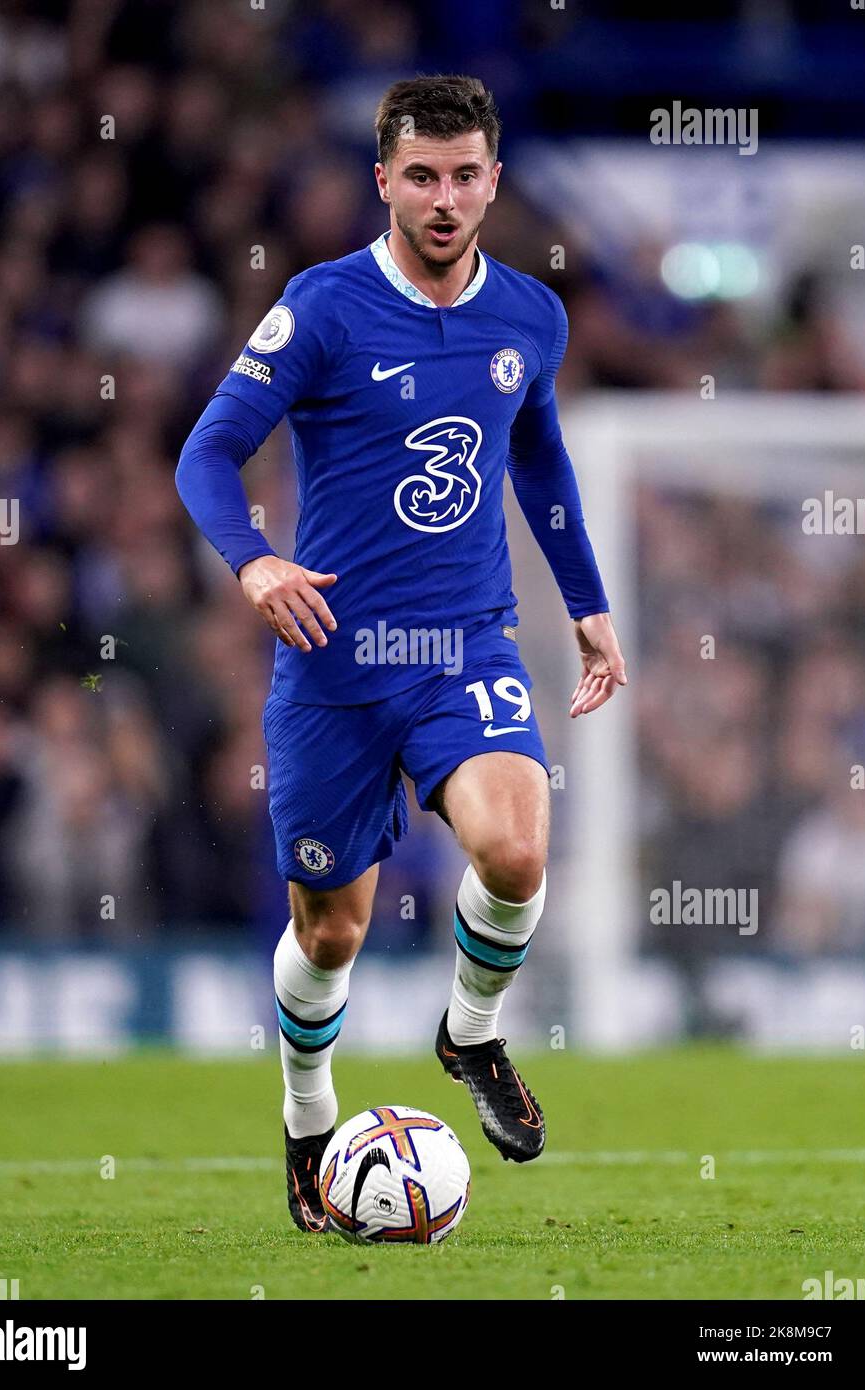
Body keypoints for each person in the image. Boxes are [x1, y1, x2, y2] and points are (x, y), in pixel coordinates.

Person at [176, 74, 627, 1233]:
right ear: (382, 180)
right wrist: (254, 563)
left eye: (463, 173)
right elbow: (205, 455)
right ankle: (305, 1111)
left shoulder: (530, 314)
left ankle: (469, 1035)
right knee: (330, 932)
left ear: (492, 179)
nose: (442, 197)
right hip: (333, 663)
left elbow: (538, 458)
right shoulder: (322, 309)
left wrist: (583, 600)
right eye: (419, 175)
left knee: (518, 850)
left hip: (459, 646)